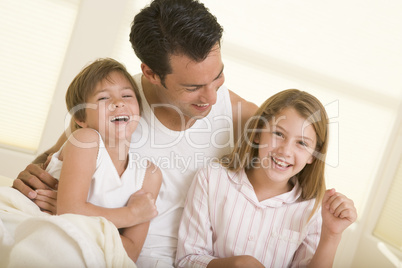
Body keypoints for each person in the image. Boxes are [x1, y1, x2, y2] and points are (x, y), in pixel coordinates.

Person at [13, 0, 257, 266]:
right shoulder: (115, 109)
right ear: (151, 73)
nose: (211, 97)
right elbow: (54, 159)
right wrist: (31, 177)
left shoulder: (235, 111)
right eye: (192, 87)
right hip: (116, 252)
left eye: (218, 77)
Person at [176, 89, 357, 268]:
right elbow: (187, 259)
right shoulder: (211, 179)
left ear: (313, 155)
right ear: (257, 133)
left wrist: (331, 235)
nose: (285, 151)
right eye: (278, 134)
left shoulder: (313, 210)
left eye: (301, 143)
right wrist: (236, 264)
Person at [45, 58, 162, 262]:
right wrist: (132, 214)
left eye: (127, 95)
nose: (119, 102)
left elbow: (131, 252)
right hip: (47, 239)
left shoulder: (150, 175)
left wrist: (82, 217)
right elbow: (70, 211)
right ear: (80, 119)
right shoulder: (85, 140)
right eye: (102, 98)